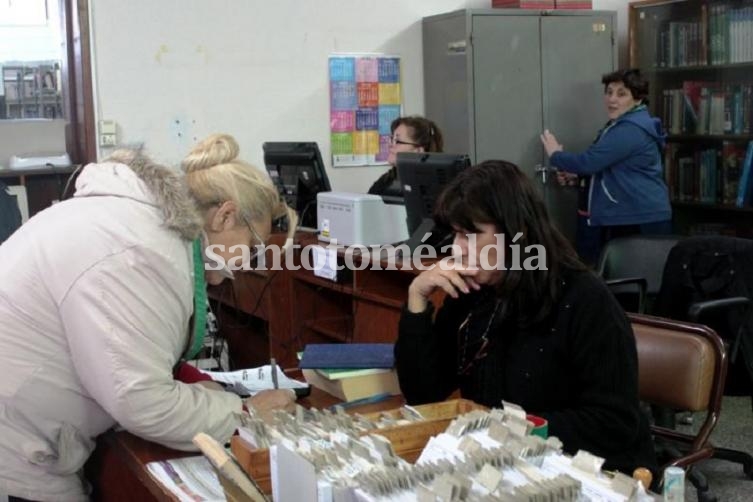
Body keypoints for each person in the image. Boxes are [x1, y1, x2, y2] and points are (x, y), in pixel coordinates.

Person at [0, 133, 297, 500]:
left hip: (31, 422)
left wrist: (194, 387)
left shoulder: (137, 223)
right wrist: (246, 412)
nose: (248, 262)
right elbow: (141, 401)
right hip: (21, 440)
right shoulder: (143, 250)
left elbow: (131, 346)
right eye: (252, 246)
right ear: (225, 215)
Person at [395, 160, 657, 476]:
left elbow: (614, 424)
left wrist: (514, 428)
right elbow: (424, 394)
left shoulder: (583, 298)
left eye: (471, 235)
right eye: (456, 234)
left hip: (586, 471)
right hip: (508, 464)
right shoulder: (473, 292)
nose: (458, 249)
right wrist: (417, 298)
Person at [540, 68, 672, 265]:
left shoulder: (630, 129)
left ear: (638, 99)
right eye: (609, 92)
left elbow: (589, 162)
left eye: (621, 94)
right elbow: (615, 169)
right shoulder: (621, 124)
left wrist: (555, 154)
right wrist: (578, 179)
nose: (612, 99)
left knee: (631, 283)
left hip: (638, 217)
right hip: (632, 215)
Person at [368, 115, 444, 196]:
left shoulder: (433, 188)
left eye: (397, 141)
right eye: (392, 139)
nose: (390, 145)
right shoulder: (387, 179)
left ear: (418, 151)